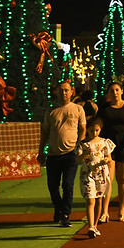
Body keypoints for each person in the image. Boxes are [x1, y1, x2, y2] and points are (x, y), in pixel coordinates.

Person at [37, 80, 87, 227]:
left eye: (66, 90)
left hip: (71, 153)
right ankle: (58, 207)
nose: (64, 93)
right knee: (53, 186)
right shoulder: (51, 111)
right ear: (56, 92)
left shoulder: (78, 109)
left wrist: (80, 145)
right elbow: (45, 133)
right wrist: (41, 152)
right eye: (61, 90)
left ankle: (66, 214)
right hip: (53, 154)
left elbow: (83, 129)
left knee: (68, 185)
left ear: (72, 92)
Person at [97, 82, 124, 223]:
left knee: (123, 180)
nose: (115, 93)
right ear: (108, 93)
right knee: (107, 179)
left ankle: (122, 210)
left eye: (117, 90)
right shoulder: (104, 109)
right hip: (108, 147)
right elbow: (97, 125)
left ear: (121, 91)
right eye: (112, 90)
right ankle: (105, 212)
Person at [76, 116, 115, 238]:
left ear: (100, 129)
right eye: (92, 130)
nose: (94, 133)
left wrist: (106, 160)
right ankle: (91, 226)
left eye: (97, 130)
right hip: (88, 175)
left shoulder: (104, 142)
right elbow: (77, 160)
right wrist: (84, 155)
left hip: (101, 174)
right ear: (87, 129)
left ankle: (95, 225)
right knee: (90, 199)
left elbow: (109, 157)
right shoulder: (83, 144)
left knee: (99, 199)